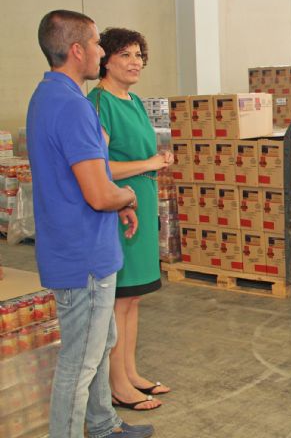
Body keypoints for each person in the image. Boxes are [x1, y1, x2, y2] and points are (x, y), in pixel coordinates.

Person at [27, 10, 154, 437]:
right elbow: (101, 193)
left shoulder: (48, 97)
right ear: (77, 50)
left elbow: (84, 179)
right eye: (99, 44)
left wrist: (116, 203)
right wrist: (129, 195)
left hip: (80, 249)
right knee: (79, 361)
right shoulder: (74, 107)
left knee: (99, 346)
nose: (102, 52)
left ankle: (103, 426)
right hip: (83, 257)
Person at [87, 28, 173, 411]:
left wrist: (156, 164)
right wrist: (150, 163)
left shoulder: (134, 100)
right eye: (125, 54)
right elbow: (98, 167)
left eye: (139, 54)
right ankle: (117, 385)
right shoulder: (100, 102)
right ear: (105, 59)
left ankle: (132, 373)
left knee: (134, 298)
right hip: (120, 208)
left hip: (143, 200)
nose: (135, 61)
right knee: (119, 300)